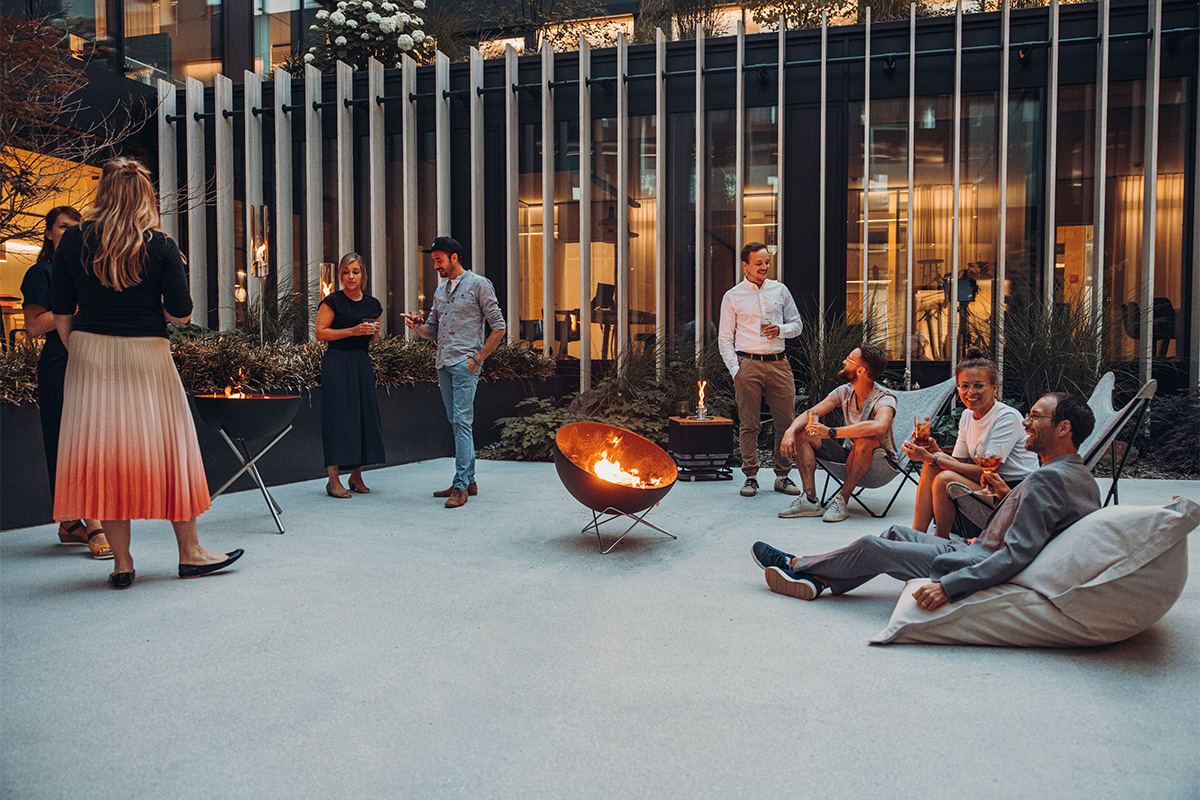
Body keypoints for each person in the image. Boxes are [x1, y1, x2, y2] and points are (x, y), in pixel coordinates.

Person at [51, 157, 243, 589]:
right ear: (144, 195)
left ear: (103, 191)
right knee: (169, 449)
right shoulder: (158, 244)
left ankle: (122, 563)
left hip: (89, 357)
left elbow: (61, 311)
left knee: (106, 456)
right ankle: (190, 552)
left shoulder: (75, 240)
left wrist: (83, 351)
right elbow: (181, 312)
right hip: (147, 356)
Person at [751, 393, 1098, 606]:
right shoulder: (1076, 475)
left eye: (1035, 416)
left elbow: (1014, 553)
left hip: (972, 560)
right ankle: (821, 579)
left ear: (1064, 428)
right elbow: (1040, 525)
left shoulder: (1049, 479)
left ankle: (796, 565)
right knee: (894, 535)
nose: (1026, 422)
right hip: (974, 547)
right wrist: (1010, 496)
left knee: (875, 544)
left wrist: (949, 586)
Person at [20, 206, 111, 559]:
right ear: (48, 233)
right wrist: (78, 309)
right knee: (68, 442)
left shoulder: (87, 272)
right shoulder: (41, 271)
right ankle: (94, 525)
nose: (70, 233)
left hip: (91, 361)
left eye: (77, 228)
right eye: (62, 227)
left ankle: (71, 522)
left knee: (91, 440)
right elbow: (33, 325)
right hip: (60, 363)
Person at [403, 236, 506, 508]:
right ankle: (469, 480)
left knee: (461, 422)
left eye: (439, 260)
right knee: (456, 421)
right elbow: (431, 331)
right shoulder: (440, 292)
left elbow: (499, 327)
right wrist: (417, 326)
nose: (436, 265)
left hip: (465, 364)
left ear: (454, 258)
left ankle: (460, 486)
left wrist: (478, 359)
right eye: (434, 260)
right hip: (443, 364)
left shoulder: (479, 285)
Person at [901, 350, 1038, 537]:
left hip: (1011, 490)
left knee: (943, 475)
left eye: (979, 386)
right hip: (986, 484)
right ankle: (917, 535)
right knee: (934, 464)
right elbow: (959, 463)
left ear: (994, 388)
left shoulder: (1007, 417)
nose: (970, 392)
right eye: (964, 386)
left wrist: (933, 457)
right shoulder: (966, 415)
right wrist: (935, 451)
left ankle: (940, 539)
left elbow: (988, 471)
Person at [717, 242, 803, 499]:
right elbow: (724, 339)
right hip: (748, 364)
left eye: (766, 262)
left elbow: (797, 324)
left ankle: (782, 476)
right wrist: (736, 370)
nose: (764, 267)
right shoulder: (732, 296)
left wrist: (781, 330)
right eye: (759, 263)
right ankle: (751, 477)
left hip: (779, 362)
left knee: (785, 423)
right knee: (749, 424)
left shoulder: (780, 290)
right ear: (745, 264)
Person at [778, 344, 896, 523]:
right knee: (803, 434)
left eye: (848, 360)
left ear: (861, 370)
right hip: (849, 456)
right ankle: (810, 500)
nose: (843, 362)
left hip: (880, 465)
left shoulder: (884, 398)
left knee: (865, 440)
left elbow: (879, 426)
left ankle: (842, 500)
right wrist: (790, 430)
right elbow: (813, 412)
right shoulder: (845, 391)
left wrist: (831, 432)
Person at [316, 253, 385, 498]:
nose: (350, 277)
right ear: (340, 276)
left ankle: (356, 475)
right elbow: (321, 333)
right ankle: (333, 480)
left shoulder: (373, 305)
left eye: (355, 272)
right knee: (337, 418)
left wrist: (374, 333)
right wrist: (352, 330)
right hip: (337, 361)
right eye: (345, 272)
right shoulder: (332, 302)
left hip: (361, 361)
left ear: (362, 274)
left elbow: (375, 337)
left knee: (362, 416)